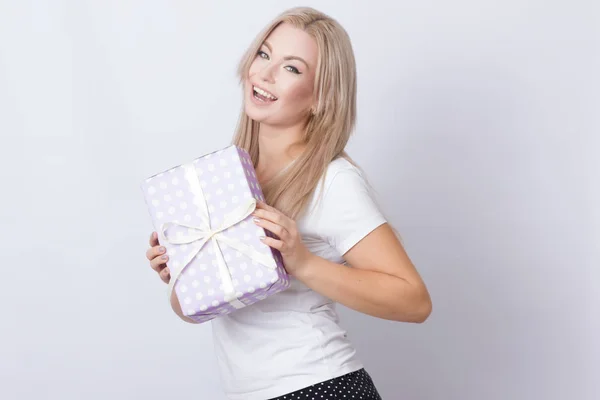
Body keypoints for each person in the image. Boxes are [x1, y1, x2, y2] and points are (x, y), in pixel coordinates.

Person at [145, 6, 432, 400]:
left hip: (319, 387)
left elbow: (414, 301)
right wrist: (182, 269)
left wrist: (303, 262)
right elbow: (189, 311)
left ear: (319, 98)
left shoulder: (332, 181)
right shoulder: (226, 178)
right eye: (264, 54)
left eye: (292, 68)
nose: (264, 73)